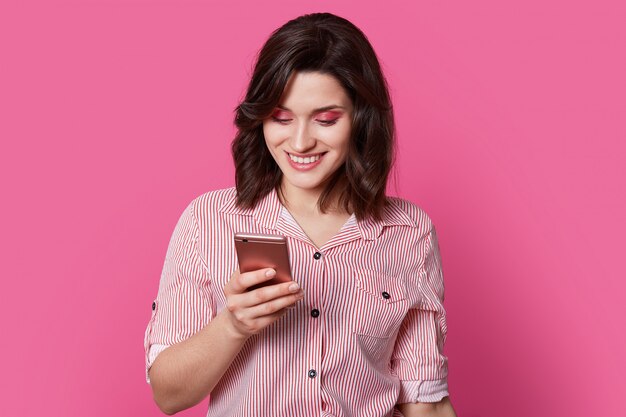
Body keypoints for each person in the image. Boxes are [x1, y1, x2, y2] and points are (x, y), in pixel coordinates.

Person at [144, 12, 457, 417]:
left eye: (326, 119)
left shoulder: (408, 232)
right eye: (281, 117)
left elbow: (424, 403)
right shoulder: (209, 222)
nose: (300, 141)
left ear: (361, 119)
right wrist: (233, 325)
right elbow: (168, 395)